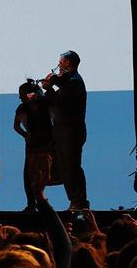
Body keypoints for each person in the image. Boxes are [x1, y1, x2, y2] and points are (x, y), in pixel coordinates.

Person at [41, 50, 88, 209]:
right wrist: (47, 89)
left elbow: (62, 84)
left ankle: (80, 201)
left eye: (60, 62)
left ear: (67, 63)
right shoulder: (66, 83)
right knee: (64, 167)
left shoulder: (74, 81)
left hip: (72, 133)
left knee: (72, 167)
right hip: (62, 132)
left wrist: (52, 81)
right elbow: (56, 102)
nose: (58, 66)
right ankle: (74, 200)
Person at [13, 80, 55, 212]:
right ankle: (31, 203)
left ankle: (42, 202)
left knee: (50, 172)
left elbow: (57, 120)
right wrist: (26, 135)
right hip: (32, 146)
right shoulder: (22, 108)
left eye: (21, 94)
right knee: (29, 174)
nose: (19, 97)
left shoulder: (46, 104)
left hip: (49, 144)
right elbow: (16, 126)